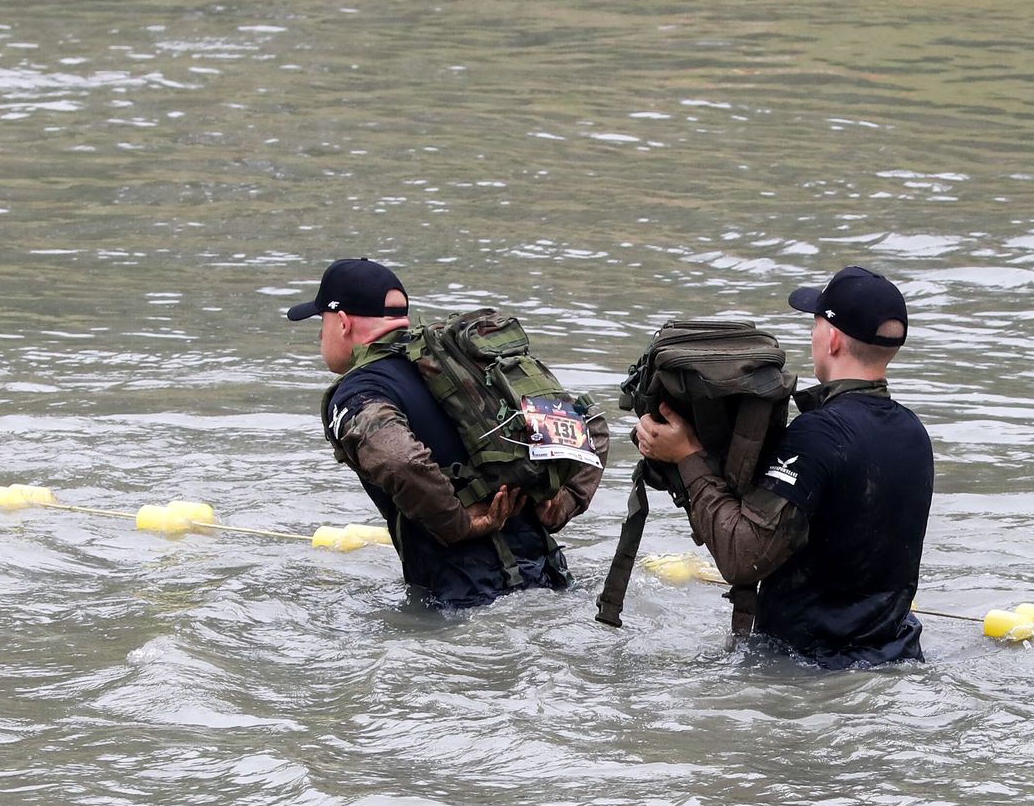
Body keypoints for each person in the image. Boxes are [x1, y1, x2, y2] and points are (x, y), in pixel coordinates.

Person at [634, 265, 934, 668]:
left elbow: (743, 558)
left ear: (831, 339)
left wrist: (687, 456)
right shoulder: (914, 432)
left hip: (807, 672)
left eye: (814, 323)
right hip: (898, 656)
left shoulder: (817, 435)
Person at [288, 257, 607, 608]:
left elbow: (398, 459)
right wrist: (562, 502)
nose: (321, 334)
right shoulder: (463, 363)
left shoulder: (358, 392)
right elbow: (589, 423)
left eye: (323, 321)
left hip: (461, 598)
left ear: (344, 323)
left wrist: (457, 524)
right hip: (551, 577)